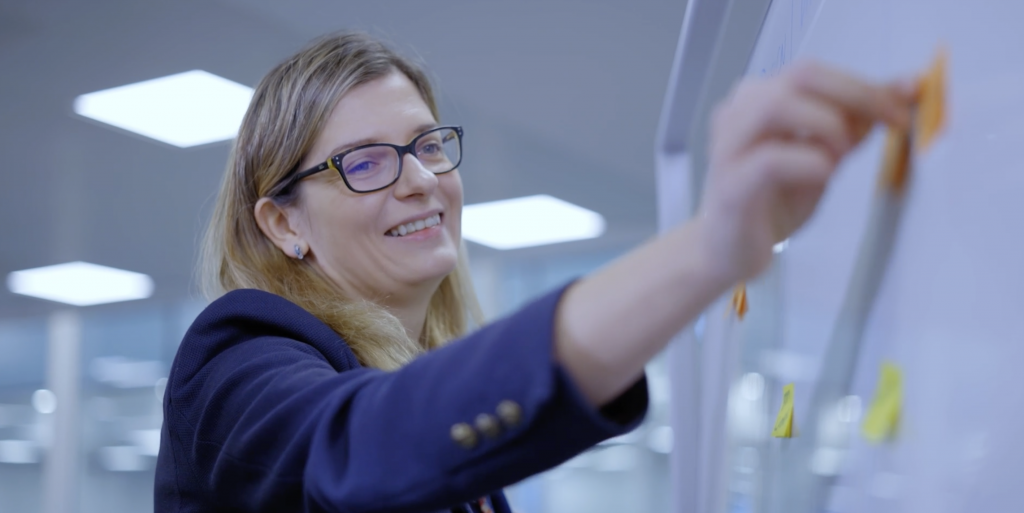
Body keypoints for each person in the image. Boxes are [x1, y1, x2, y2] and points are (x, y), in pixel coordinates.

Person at [154, 32, 914, 513]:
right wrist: (712, 246)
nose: (419, 178)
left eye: (426, 145)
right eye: (366, 163)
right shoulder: (239, 355)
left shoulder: (430, 381)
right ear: (284, 222)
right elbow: (357, 447)